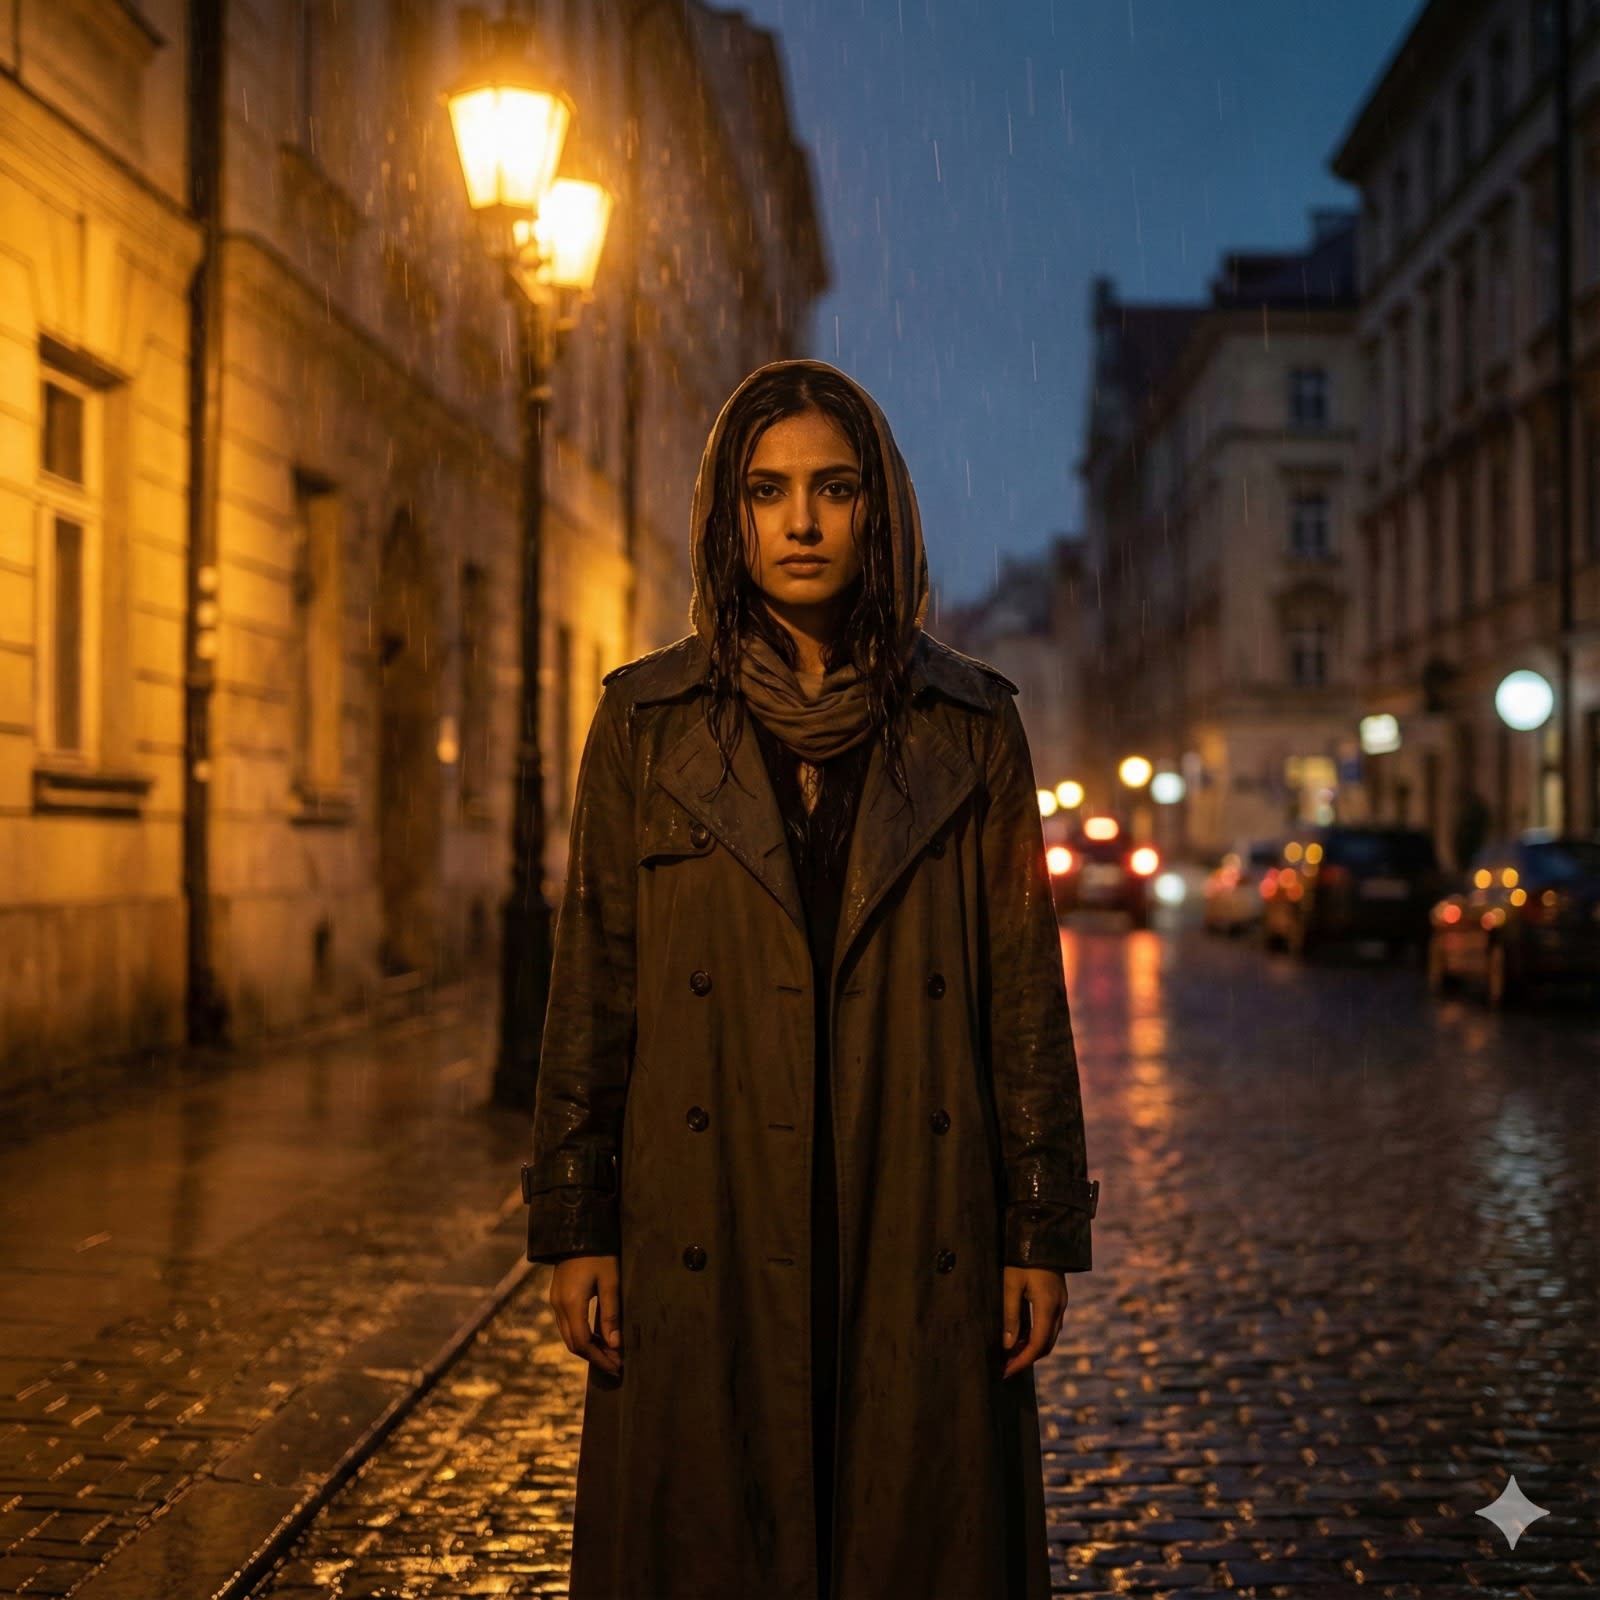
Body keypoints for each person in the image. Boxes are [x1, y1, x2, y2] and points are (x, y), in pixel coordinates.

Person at [523, 358, 1099, 1600]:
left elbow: (1019, 996)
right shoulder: (645, 724)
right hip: (707, 1207)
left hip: (913, 1204)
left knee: (915, 1525)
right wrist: (577, 1223)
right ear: (728, 517)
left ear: (874, 511)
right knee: (709, 1529)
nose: (798, 522)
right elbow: (595, 989)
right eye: (766, 491)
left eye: (832, 490)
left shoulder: (970, 725)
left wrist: (1037, 1229)